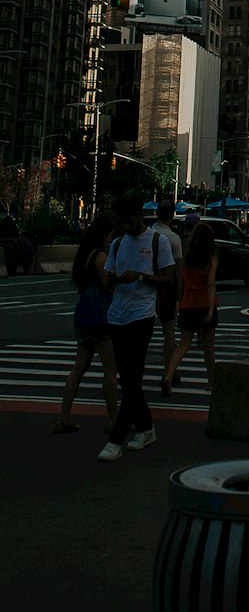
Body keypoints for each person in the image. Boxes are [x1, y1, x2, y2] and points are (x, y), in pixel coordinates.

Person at [98, 194, 174, 461]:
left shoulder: (157, 241)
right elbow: (107, 280)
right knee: (128, 379)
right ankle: (146, 427)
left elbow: (169, 277)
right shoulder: (118, 244)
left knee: (133, 377)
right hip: (117, 313)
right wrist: (112, 279)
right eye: (121, 222)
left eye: (129, 221)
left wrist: (140, 276)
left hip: (142, 314)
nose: (125, 226)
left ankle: (116, 439)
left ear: (140, 216)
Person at [53, 214, 117, 434]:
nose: (110, 239)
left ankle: (64, 416)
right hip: (100, 317)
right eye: (110, 235)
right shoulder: (100, 257)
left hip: (83, 317)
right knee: (110, 369)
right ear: (104, 235)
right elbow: (108, 286)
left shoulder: (84, 255)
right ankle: (113, 418)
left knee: (78, 367)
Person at [161, 221, 218, 394]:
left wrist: (179, 301)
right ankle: (211, 381)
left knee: (183, 344)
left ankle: (168, 376)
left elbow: (182, 283)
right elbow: (210, 283)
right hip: (204, 301)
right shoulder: (211, 258)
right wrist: (210, 308)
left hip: (188, 302)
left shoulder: (187, 258)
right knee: (208, 347)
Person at [148, 198, 183, 382]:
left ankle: (130, 371)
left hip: (145, 288)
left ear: (156, 214)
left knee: (140, 334)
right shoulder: (173, 239)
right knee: (169, 334)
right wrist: (180, 293)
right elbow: (178, 269)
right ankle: (168, 372)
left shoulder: (147, 234)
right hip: (166, 290)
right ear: (172, 215)